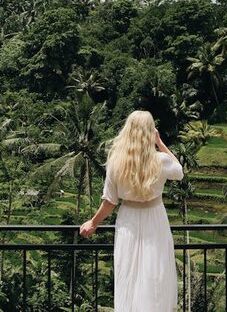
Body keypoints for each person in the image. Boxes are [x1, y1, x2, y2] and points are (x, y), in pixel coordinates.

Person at [80, 110, 184, 312]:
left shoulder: (116, 163)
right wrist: (160, 143)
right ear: (150, 133)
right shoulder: (160, 160)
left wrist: (93, 223)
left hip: (129, 220)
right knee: (155, 272)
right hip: (155, 218)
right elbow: (179, 172)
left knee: (129, 271)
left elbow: (109, 202)